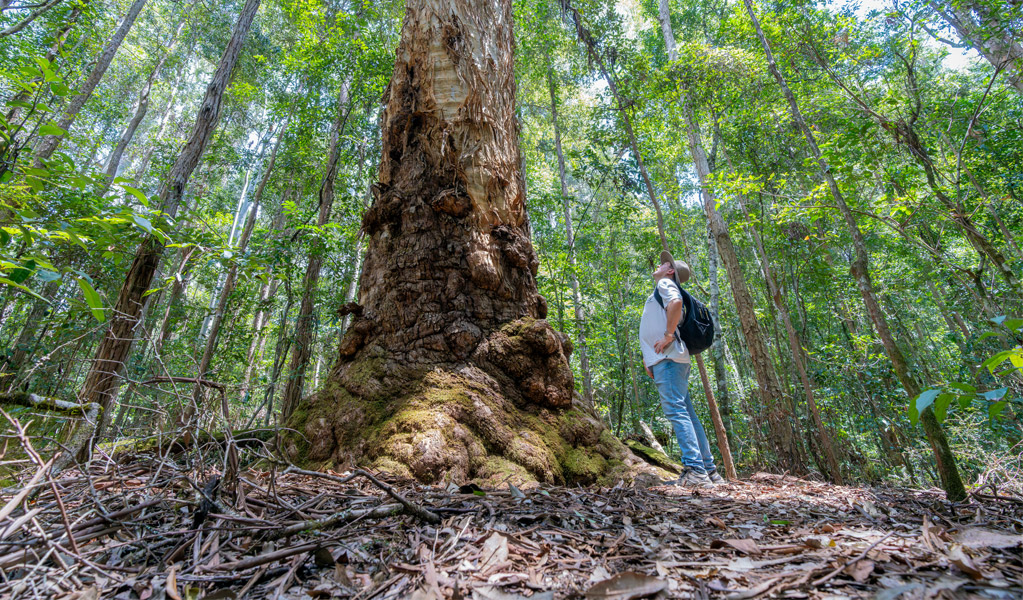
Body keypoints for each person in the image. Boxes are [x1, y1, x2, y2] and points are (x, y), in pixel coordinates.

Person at [640, 250, 723, 487]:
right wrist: (649, 359)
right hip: (668, 360)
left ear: (670, 271)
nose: (658, 264)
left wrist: (667, 336)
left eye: (664, 263)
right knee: (687, 413)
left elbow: (675, 304)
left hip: (668, 360)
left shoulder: (665, 284)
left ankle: (696, 471)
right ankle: (708, 470)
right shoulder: (664, 286)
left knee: (677, 412)